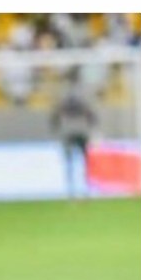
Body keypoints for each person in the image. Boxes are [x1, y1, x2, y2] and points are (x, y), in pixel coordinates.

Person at [51, 68, 98, 199]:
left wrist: (55, 128)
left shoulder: (63, 94)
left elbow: (56, 113)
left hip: (69, 131)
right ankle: (84, 190)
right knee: (84, 162)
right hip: (80, 130)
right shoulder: (84, 93)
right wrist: (94, 128)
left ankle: (71, 190)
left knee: (70, 162)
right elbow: (90, 114)